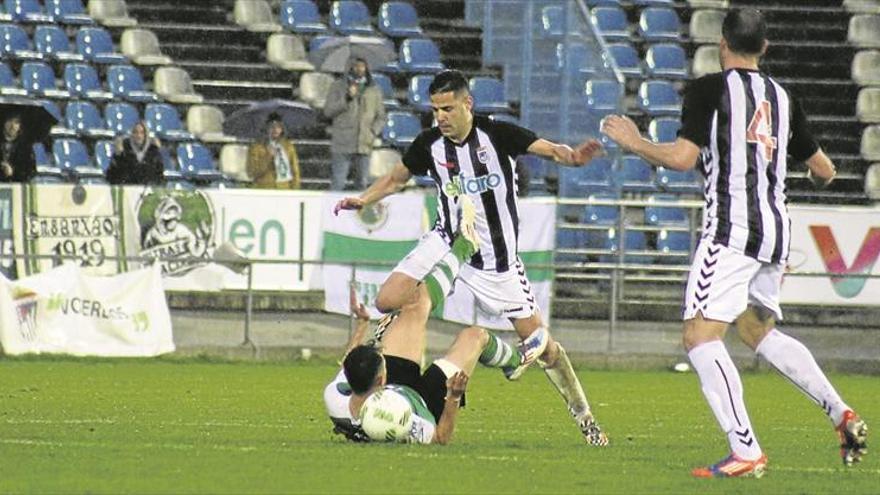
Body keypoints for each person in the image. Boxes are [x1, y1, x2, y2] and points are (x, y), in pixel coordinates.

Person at [600, 8, 868, 478]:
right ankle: (838, 410)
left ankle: (745, 450)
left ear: (723, 43)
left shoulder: (709, 89)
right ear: (764, 48)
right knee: (756, 331)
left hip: (731, 230)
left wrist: (636, 141)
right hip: (776, 231)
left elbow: (683, 159)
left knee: (700, 337)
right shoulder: (784, 98)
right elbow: (825, 170)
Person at [334, 69, 609, 446]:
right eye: (435, 110)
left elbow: (550, 150)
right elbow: (397, 178)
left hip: (496, 262)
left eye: (447, 108)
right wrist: (364, 199)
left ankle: (586, 420)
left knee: (546, 349)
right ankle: (396, 353)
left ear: (468, 104)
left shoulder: (498, 135)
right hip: (445, 240)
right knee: (386, 299)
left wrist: (573, 158)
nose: (441, 117)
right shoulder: (429, 144)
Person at [324, 283, 523, 444]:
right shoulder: (400, 421)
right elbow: (440, 438)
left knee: (415, 303)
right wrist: (453, 396)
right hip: (425, 403)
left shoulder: (335, 398)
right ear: (381, 378)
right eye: (382, 362)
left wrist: (362, 324)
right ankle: (516, 361)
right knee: (475, 336)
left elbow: (350, 363)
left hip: (394, 387)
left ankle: (454, 255)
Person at [324, 57, 386, 191]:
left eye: (362, 66)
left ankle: (359, 212)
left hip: (364, 143)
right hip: (342, 142)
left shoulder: (374, 90)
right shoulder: (338, 86)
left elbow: (381, 116)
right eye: (356, 66)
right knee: (338, 183)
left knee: (362, 184)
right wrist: (347, 98)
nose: (359, 69)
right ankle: (332, 211)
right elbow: (328, 111)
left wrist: (373, 131)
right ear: (350, 68)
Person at [246, 112, 301, 189]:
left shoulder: (288, 147)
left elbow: (295, 170)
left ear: (282, 129)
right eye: (272, 127)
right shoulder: (256, 147)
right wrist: (268, 156)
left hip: (284, 188)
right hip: (264, 189)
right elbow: (252, 172)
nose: (275, 130)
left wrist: (295, 189)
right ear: (266, 128)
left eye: (278, 127)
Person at [106, 121, 165, 186]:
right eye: (135, 132)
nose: (138, 136)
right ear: (131, 134)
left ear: (146, 135)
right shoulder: (124, 150)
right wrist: (119, 155)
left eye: (142, 133)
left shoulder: (153, 152)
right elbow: (112, 175)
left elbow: (159, 175)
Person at [0, 114, 36, 183]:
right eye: (10, 121)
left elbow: (31, 171)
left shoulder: (26, 146)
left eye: (16, 122)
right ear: (4, 123)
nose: (12, 126)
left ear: (20, 126)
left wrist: (13, 171)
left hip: (17, 185)